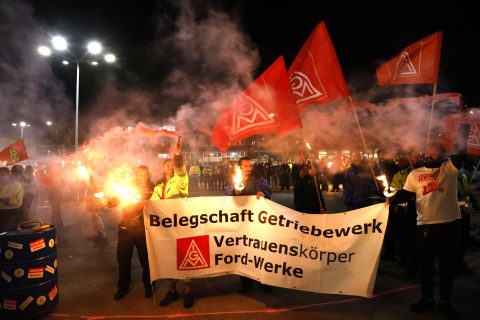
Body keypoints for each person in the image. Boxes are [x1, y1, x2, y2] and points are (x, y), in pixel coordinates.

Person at [389, 142, 462, 319]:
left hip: (449, 225)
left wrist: (462, 123)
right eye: (427, 151)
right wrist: (390, 199)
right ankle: (427, 298)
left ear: (443, 155)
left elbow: (461, 151)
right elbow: (406, 194)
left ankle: (445, 301)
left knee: (447, 267)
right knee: (425, 267)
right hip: (424, 227)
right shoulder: (415, 174)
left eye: (434, 152)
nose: (428, 154)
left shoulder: (449, 168)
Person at [151, 142, 192, 308]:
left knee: (186, 259)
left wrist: (177, 157)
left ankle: (188, 291)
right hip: (166, 229)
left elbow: (181, 169)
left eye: (172, 165)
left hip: (182, 226)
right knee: (169, 260)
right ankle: (172, 291)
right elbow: (151, 205)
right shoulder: (158, 187)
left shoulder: (181, 180)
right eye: (167, 165)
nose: (170, 167)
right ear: (162, 169)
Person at [225, 156, 272, 294]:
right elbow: (227, 191)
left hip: (257, 221)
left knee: (260, 250)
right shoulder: (234, 179)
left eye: (250, 165)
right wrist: (234, 192)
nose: (249, 168)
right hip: (241, 222)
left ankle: (263, 280)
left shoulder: (259, 178)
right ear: (240, 168)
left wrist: (263, 193)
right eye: (245, 166)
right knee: (243, 251)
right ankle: (245, 282)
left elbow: (268, 191)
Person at [114, 165, 155, 301]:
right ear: (135, 175)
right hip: (126, 228)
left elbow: (158, 204)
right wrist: (107, 202)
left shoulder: (153, 188)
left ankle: (149, 285)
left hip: (144, 229)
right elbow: (116, 199)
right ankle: (123, 287)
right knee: (123, 259)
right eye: (139, 175)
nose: (142, 178)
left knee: (146, 260)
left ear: (148, 175)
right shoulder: (128, 187)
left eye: (145, 175)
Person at [0, 167, 23, 231]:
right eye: (1, 175)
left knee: (6, 232)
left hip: (11, 213)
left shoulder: (17, 185)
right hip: (1, 212)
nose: (2, 177)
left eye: (4, 174)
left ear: (9, 174)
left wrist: (8, 201)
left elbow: (19, 202)